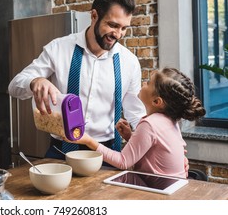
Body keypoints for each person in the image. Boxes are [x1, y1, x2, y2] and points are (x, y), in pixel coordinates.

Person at [8, 0, 146, 158]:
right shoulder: (58, 48)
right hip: (60, 151)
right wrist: (34, 81)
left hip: (107, 154)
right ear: (94, 15)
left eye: (124, 28)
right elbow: (14, 86)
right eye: (113, 25)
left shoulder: (130, 62)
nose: (118, 34)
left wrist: (159, 144)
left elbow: (136, 114)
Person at [69, 67, 206, 178]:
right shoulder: (170, 120)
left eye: (148, 83)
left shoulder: (150, 124)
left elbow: (123, 162)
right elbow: (154, 150)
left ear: (157, 101)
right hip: (175, 187)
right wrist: (130, 137)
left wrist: (88, 141)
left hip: (158, 194)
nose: (143, 84)